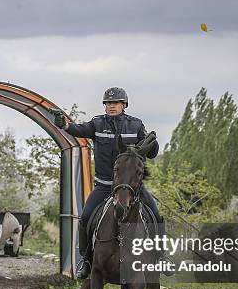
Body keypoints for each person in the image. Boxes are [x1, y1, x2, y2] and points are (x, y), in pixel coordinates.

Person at [52, 87, 162, 279]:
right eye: (108, 103)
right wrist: (65, 125)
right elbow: (79, 129)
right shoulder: (97, 123)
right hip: (104, 186)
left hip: (132, 188)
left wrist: (154, 144)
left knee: (156, 215)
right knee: (85, 217)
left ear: (124, 105)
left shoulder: (136, 125)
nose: (111, 106)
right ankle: (85, 261)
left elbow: (150, 153)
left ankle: (161, 257)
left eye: (115, 103)